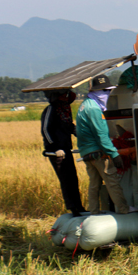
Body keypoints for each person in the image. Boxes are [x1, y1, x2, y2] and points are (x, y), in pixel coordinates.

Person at [76, 74, 133, 215]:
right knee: (112, 181)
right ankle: (124, 209)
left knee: (94, 185)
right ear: (95, 92)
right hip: (99, 154)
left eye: (108, 91)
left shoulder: (84, 106)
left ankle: (94, 212)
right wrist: (114, 154)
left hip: (86, 153)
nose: (107, 94)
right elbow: (101, 135)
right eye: (104, 91)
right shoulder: (94, 110)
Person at [41, 88, 86, 217]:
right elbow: (45, 130)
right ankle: (73, 208)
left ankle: (79, 206)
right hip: (56, 152)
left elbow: (68, 126)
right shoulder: (51, 110)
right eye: (64, 95)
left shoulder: (65, 111)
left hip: (66, 149)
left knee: (73, 178)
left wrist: (80, 133)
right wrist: (54, 147)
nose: (66, 97)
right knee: (66, 179)